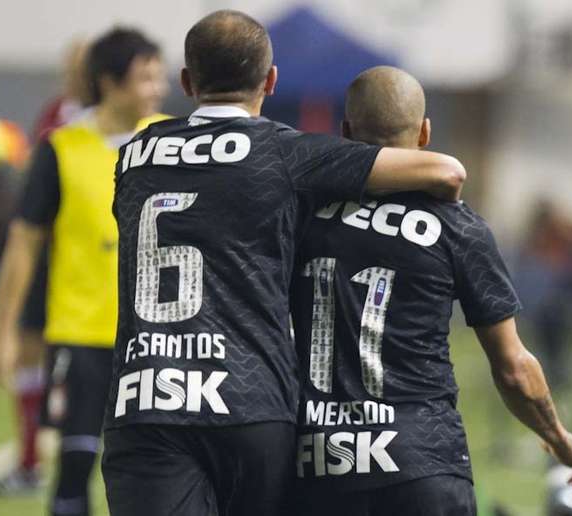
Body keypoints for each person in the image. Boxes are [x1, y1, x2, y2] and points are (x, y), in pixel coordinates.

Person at [100, 10, 465, 516]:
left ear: (186, 82)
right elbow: (445, 173)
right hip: (251, 405)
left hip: (145, 402)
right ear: (270, 81)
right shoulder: (284, 151)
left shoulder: (135, 153)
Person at [290, 66, 572, 516]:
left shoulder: (300, 215)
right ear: (425, 132)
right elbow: (512, 368)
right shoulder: (457, 226)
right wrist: (556, 436)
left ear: (346, 131)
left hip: (320, 464)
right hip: (423, 463)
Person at [0, 27, 168, 516]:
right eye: (145, 78)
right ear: (109, 82)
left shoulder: (176, 143)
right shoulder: (61, 149)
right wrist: (2, 333)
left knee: (158, 476)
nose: (157, 89)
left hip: (158, 339)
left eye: (158, 77)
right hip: (80, 336)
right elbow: (23, 245)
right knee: (73, 474)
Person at [0, 38, 92, 496]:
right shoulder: (55, 114)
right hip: (48, 248)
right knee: (30, 351)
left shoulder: (117, 123)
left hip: (91, 258)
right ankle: (28, 462)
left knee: (92, 367)